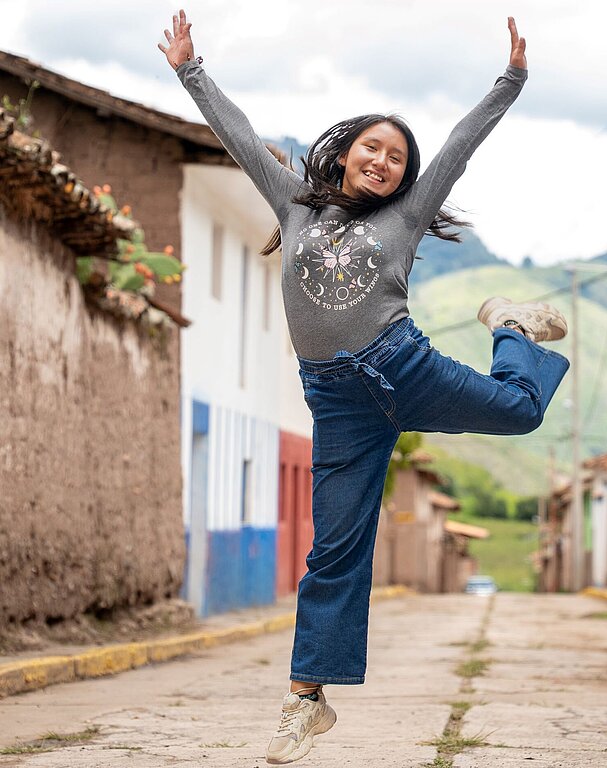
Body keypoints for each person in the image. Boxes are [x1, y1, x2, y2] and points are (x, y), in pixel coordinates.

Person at [159, 9, 570, 764]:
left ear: (403, 177)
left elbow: (458, 149)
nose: (382, 161)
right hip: (338, 400)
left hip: (403, 367)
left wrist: (508, 81)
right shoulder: (295, 203)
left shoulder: (407, 217)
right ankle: (305, 700)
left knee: (520, 411)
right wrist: (191, 69)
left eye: (394, 157)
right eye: (370, 148)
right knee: (336, 551)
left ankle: (509, 325)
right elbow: (240, 136)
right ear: (345, 154)